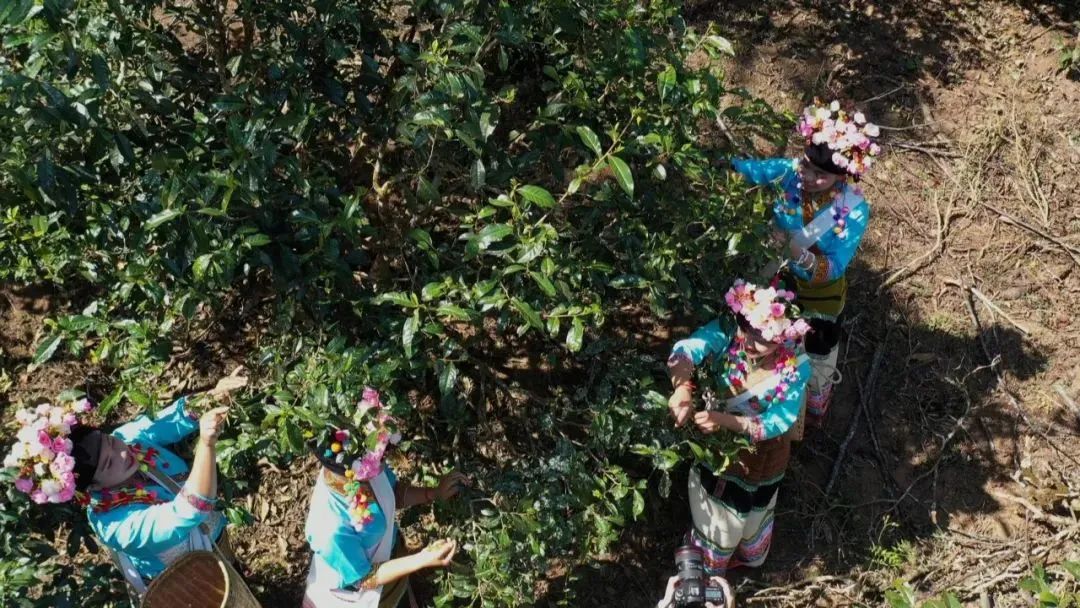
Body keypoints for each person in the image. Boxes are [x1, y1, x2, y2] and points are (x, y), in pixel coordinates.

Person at [3, 370, 248, 596]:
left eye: (109, 441)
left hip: (214, 540)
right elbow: (188, 511)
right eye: (109, 464)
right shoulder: (114, 523)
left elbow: (173, 419)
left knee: (237, 580)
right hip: (187, 581)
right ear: (94, 487)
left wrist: (214, 396)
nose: (122, 453)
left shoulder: (128, 439)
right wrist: (206, 444)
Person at [731, 100, 879, 424]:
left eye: (821, 174)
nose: (809, 177)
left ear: (843, 175)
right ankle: (757, 391)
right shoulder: (790, 173)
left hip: (819, 293)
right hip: (774, 276)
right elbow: (750, 170)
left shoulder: (853, 209)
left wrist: (792, 249)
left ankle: (813, 397)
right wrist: (720, 164)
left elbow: (835, 265)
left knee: (817, 347)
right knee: (761, 333)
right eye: (807, 165)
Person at [666, 279, 811, 575]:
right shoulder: (729, 333)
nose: (752, 343)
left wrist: (724, 421)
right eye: (749, 330)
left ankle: (747, 557)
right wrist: (682, 389)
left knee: (757, 510)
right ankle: (706, 568)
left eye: (766, 338)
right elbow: (687, 349)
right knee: (723, 520)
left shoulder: (797, 366)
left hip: (767, 451)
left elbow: (778, 421)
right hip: (724, 450)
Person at [303, 387, 469, 608]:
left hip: (393, 570)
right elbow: (364, 578)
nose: (382, 462)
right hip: (358, 597)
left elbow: (394, 493)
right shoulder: (330, 527)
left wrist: (433, 492)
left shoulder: (365, 472)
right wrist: (422, 559)